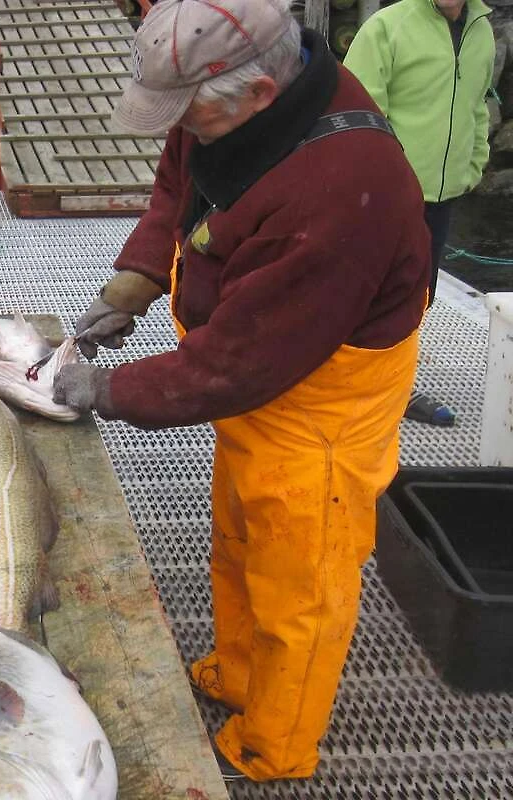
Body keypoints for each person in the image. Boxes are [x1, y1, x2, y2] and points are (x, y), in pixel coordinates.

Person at [51, 0, 430, 783]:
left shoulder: (343, 186)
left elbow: (236, 366)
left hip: (319, 412)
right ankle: (238, 673)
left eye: (189, 114)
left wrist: (109, 389)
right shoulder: (236, 107)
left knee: (300, 586)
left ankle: (274, 747)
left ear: (258, 93)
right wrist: (138, 277)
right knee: (238, 540)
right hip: (262, 387)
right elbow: (181, 182)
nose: (179, 130)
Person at [344, 0, 495, 426]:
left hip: (443, 194)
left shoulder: (481, 30)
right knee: (370, 292)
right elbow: (357, 114)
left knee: (421, 292)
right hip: (387, 195)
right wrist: (381, 182)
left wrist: (474, 163)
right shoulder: (387, 28)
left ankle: (392, 386)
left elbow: (477, 106)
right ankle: (356, 386)